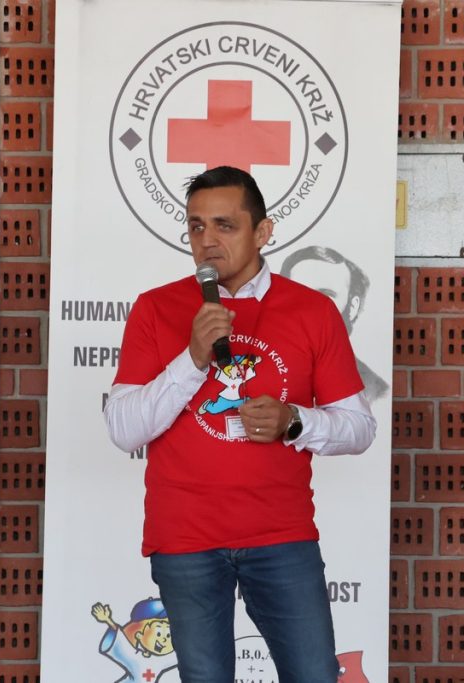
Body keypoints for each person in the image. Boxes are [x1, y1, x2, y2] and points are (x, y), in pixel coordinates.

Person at [103, 166, 376, 683]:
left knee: (314, 675)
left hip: (281, 534)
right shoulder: (156, 308)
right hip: (186, 538)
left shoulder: (313, 311)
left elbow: (359, 428)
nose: (207, 240)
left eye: (225, 225)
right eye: (196, 226)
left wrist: (294, 420)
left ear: (263, 231)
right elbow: (122, 428)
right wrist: (192, 359)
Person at [279, 245, 390, 404]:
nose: (308, 307)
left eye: (325, 297)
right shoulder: (253, 367)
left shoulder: (374, 393)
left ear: (353, 307)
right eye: (298, 294)